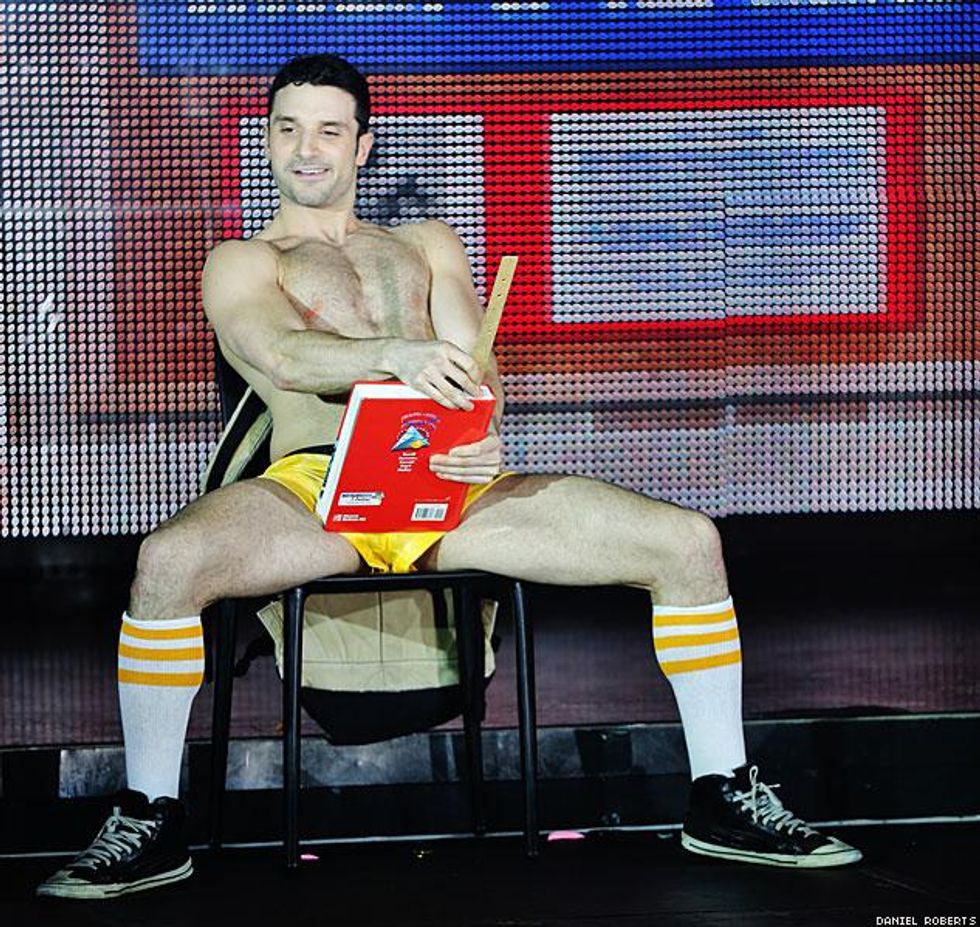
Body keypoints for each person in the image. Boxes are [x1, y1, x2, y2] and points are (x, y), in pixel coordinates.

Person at [37, 53, 861, 900]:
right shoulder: (243, 259)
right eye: (288, 129)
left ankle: (720, 794)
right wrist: (395, 354)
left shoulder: (426, 244)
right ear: (269, 141)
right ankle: (149, 814)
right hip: (318, 488)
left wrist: (483, 432)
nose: (306, 149)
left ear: (363, 146)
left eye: (328, 131)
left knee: (686, 542)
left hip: (446, 486)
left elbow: (478, 368)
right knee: (167, 562)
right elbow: (280, 354)